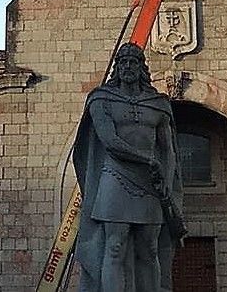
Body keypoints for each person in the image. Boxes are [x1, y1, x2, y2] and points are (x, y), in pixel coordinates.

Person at [73, 43, 185, 292]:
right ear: (116, 67)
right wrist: (147, 160)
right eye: (122, 62)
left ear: (141, 67)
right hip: (115, 178)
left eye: (133, 62)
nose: (127, 67)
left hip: (151, 183)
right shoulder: (102, 99)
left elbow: (168, 149)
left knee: (150, 248)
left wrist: (166, 181)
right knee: (115, 245)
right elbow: (110, 141)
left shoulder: (158, 104)